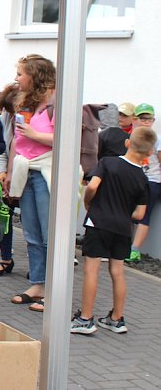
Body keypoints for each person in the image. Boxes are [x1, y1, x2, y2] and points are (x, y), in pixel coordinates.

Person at [70, 126, 156, 335]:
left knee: (91, 269)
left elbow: (92, 186)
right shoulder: (143, 179)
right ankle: (116, 319)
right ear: (150, 152)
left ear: (127, 143)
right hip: (123, 228)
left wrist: (90, 204)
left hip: (99, 223)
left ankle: (85, 319)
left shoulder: (108, 163)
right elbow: (139, 213)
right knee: (117, 272)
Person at [7, 54, 56, 312]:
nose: (16, 78)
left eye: (20, 73)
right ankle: (37, 283)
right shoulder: (26, 102)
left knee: (50, 235)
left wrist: (36, 134)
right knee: (32, 233)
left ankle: (53, 289)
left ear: (35, 76)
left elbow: (67, 138)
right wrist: (9, 169)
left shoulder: (57, 102)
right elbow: (18, 139)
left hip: (46, 171)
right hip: (26, 171)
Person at [0, 83, 22, 276]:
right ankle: (5, 258)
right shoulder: (6, 116)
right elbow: (3, 144)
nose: (11, 115)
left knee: (29, 222)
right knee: (4, 215)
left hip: (25, 171)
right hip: (7, 171)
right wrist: (2, 172)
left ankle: (40, 271)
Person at [126, 104, 161, 263]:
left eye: (149, 118)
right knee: (128, 211)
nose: (146, 121)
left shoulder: (157, 139)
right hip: (134, 179)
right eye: (142, 118)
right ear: (135, 119)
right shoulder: (132, 137)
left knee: (143, 215)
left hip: (152, 181)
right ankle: (125, 245)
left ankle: (134, 250)